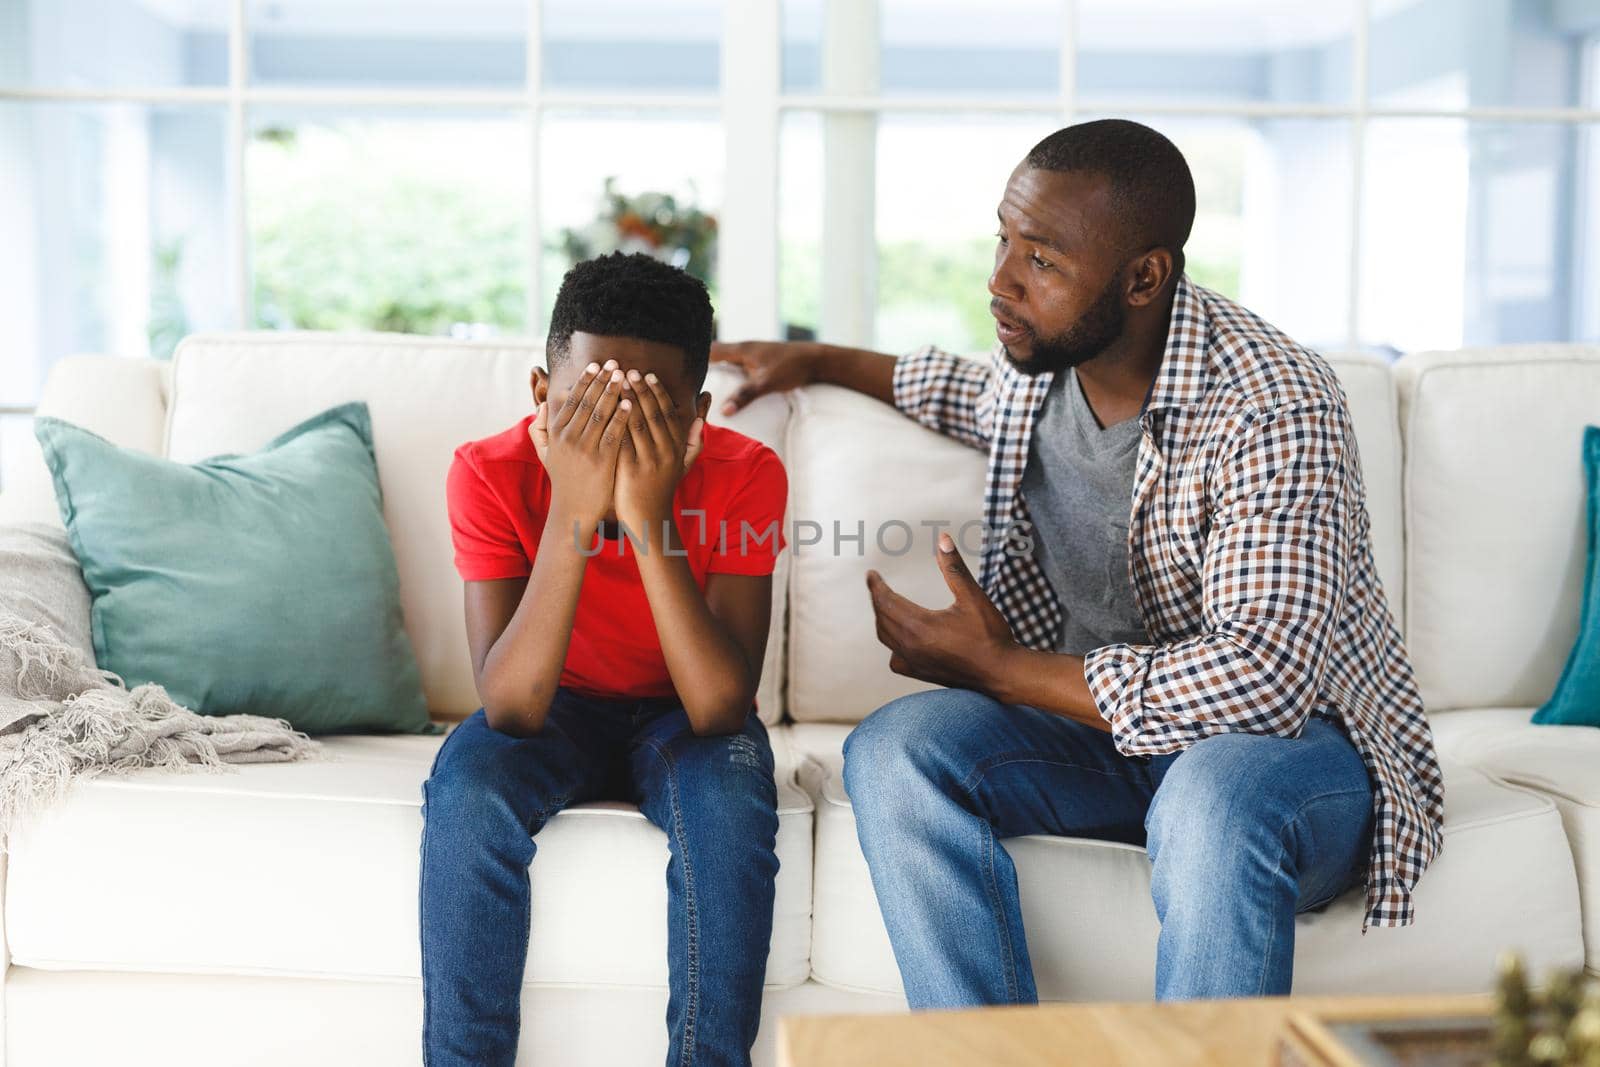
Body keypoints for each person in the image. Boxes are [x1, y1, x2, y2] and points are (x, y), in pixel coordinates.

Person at [713, 118, 1444, 1006]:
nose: (1000, 281)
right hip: (1104, 737)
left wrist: (1005, 670)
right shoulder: (1036, 365)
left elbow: (1264, 680)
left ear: (1145, 277)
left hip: (1289, 754)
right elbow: (954, 388)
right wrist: (817, 359)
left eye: (1044, 261)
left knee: (1211, 794)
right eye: (1003, 240)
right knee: (895, 749)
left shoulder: (1274, 403)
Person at [420, 252, 787, 1066]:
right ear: (543, 397)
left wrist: (648, 518)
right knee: (469, 787)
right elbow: (511, 707)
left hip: (680, 715)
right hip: (555, 705)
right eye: (590, 409)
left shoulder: (748, 474)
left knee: (729, 801)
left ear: (695, 417)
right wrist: (575, 515)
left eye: (649, 415)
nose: (616, 436)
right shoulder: (488, 472)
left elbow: (721, 706)